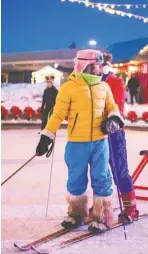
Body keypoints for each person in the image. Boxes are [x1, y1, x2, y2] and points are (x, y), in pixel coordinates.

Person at [35, 49, 124, 234]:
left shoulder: (104, 87)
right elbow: (58, 114)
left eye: (99, 66)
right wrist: (47, 135)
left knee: (102, 178)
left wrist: (114, 119)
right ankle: (76, 213)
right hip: (77, 142)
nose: (99, 69)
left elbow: (112, 107)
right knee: (76, 179)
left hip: (100, 142)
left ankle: (102, 216)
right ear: (83, 65)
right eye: (95, 66)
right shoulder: (69, 88)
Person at [101, 54, 139, 223]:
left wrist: (112, 121)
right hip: (96, 133)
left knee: (119, 170)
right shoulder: (91, 83)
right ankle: (102, 205)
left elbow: (118, 106)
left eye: (103, 65)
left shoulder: (115, 82)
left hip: (113, 132)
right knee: (99, 172)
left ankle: (131, 207)